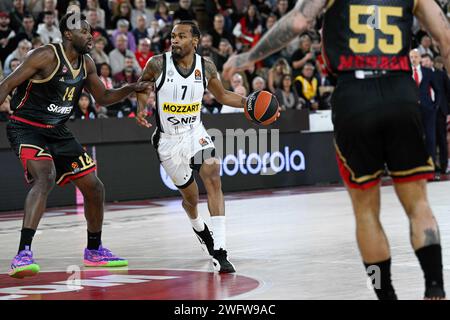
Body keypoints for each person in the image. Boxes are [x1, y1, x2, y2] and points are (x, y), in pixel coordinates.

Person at [224, 0, 449, 300]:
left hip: (354, 97)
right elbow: (445, 39)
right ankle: (435, 287)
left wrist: (248, 57)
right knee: (418, 204)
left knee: (366, 211)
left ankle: (386, 295)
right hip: (400, 94)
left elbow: (298, 23)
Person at [0, 11, 150, 279]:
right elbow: (7, 84)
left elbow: (102, 97)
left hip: (57, 130)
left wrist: (131, 87)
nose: (90, 36)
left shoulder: (88, 63)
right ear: (68, 34)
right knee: (44, 178)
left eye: (90, 30)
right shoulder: (44, 55)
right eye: (83, 31)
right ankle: (23, 253)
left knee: (94, 187)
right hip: (26, 127)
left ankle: (94, 250)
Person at [135, 21, 277, 273]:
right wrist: (141, 106)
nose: (175, 39)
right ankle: (200, 228)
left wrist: (250, 104)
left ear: (195, 41)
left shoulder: (206, 66)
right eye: (173, 36)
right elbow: (143, 85)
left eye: (181, 36)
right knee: (190, 199)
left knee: (212, 175)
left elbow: (222, 95)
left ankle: (220, 250)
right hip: (168, 141)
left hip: (195, 133)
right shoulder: (157, 63)